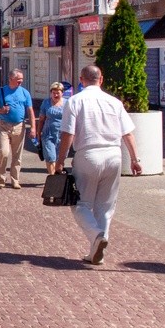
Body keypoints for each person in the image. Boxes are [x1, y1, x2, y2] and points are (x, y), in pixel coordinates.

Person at [56, 64, 142, 265]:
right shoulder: (114, 102)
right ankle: (96, 250)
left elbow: (68, 133)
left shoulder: (75, 101)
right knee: (105, 207)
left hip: (88, 154)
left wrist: (60, 161)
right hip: (114, 155)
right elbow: (127, 133)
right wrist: (136, 160)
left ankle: (96, 237)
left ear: (81, 79)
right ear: (101, 79)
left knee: (79, 204)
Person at [0, 69, 36, 189]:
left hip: (19, 126)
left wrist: (33, 128)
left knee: (17, 155)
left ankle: (15, 180)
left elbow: (30, 111)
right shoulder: (1, 92)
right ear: (11, 79)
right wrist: (0, 110)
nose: (21, 82)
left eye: (21, 80)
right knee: (3, 152)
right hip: (4, 125)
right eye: (18, 80)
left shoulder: (25, 93)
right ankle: (1, 178)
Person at [35, 81, 65, 175]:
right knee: (51, 157)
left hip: (62, 135)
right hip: (48, 134)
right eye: (53, 93)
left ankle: (58, 177)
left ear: (62, 93)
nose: (56, 95)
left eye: (58, 93)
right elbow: (41, 119)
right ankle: (53, 178)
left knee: (60, 158)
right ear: (51, 93)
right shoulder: (46, 102)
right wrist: (38, 133)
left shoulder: (67, 103)